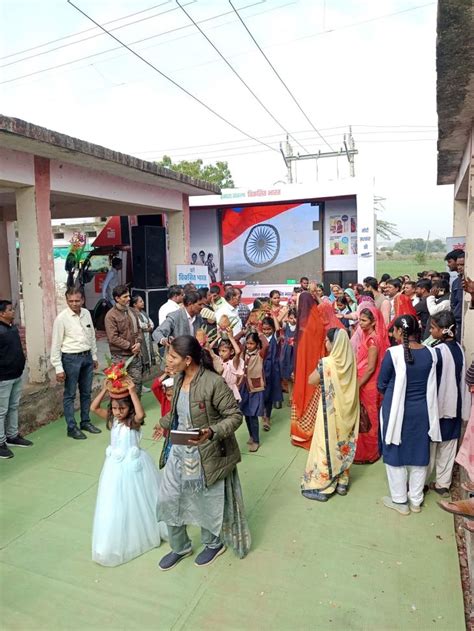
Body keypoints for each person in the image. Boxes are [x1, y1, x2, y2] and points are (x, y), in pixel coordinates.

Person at [157, 336, 250, 570]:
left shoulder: (213, 383)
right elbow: (180, 411)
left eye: (173, 357)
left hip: (205, 453)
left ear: (188, 360)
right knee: (169, 498)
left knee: (204, 501)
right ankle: (180, 547)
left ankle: (213, 544)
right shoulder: (178, 379)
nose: (168, 360)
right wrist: (163, 423)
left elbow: (235, 416)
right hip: (179, 450)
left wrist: (211, 432)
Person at [90, 378, 166, 566]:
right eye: (115, 408)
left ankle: (144, 532)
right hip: (115, 468)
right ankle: (119, 536)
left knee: (139, 500)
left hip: (134, 468)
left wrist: (132, 392)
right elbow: (93, 408)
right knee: (116, 502)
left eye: (121, 409)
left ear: (129, 408)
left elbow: (140, 413)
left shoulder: (133, 422)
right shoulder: (113, 421)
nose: (117, 412)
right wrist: (105, 390)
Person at [378, 314, 440, 515]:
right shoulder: (431, 353)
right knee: (419, 453)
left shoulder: (393, 353)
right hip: (423, 411)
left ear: (398, 331)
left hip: (396, 410)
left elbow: (381, 384)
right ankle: (415, 500)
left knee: (395, 451)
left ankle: (400, 501)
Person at [301, 328, 360, 501]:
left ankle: (325, 485)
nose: (325, 344)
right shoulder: (351, 362)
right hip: (348, 410)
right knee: (345, 443)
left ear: (334, 343)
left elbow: (312, 380)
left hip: (330, 411)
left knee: (325, 443)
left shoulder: (327, 363)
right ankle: (342, 481)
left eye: (327, 340)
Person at [426, 312, 470, 496]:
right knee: (448, 446)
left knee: (430, 448)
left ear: (443, 330)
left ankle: (422, 482)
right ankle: (443, 483)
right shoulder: (459, 348)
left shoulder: (437, 352)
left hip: (438, 406)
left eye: (433, 328)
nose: (430, 330)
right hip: (455, 406)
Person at [51, 289, 100, 440]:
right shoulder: (61, 319)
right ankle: (71, 427)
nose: (74, 304)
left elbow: (91, 335)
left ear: (82, 300)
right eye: (71, 301)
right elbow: (56, 344)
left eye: (77, 301)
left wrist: (94, 356)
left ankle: (85, 421)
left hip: (86, 358)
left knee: (86, 392)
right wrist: (58, 368)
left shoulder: (86, 313)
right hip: (70, 359)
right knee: (70, 395)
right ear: (67, 301)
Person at [352, 305, 389, 464]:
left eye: (364, 320)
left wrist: (358, 385)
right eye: (360, 319)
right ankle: (363, 451)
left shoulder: (373, 340)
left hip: (368, 384)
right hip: (364, 382)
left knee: (368, 419)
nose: (360, 323)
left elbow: (371, 368)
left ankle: (369, 453)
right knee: (363, 417)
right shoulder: (367, 336)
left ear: (373, 323)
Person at [290, 292, 326, 449]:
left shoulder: (303, 324)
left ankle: (300, 434)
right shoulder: (317, 320)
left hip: (304, 369)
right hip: (314, 369)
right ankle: (313, 432)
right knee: (312, 396)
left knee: (302, 395)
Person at [0, 300, 32, 459]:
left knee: (13, 406)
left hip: (16, 375)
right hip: (3, 377)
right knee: (1, 411)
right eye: (10, 310)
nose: (13, 311)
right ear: (1, 313)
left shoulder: (11, 327)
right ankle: (0, 442)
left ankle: (12, 436)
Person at [104, 285, 144, 395]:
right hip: (120, 357)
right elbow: (113, 338)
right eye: (125, 297)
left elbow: (140, 329)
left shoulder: (132, 311)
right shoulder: (110, 315)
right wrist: (131, 345)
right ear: (117, 298)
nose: (129, 299)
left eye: (129, 296)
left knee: (137, 383)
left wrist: (139, 343)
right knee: (120, 385)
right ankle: (121, 410)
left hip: (135, 354)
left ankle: (136, 409)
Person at [240, 331, 268, 452]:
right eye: (247, 343)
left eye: (252, 343)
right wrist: (242, 332)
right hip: (244, 387)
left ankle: (256, 440)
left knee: (253, 415)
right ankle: (251, 435)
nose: (249, 346)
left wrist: (259, 331)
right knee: (246, 414)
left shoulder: (260, 354)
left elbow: (266, 344)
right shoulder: (243, 353)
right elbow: (235, 343)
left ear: (257, 344)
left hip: (255, 388)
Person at [261, 317, 283, 432]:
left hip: (273, 369)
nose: (266, 331)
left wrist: (274, 314)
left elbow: (278, 328)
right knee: (262, 393)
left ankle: (267, 417)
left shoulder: (275, 337)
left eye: (268, 329)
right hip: (262, 369)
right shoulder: (260, 338)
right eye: (264, 329)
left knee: (269, 394)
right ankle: (263, 413)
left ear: (272, 329)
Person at [131, 295, 155, 392]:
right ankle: (138, 386)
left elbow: (151, 323)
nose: (143, 303)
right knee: (140, 361)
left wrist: (148, 327)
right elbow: (140, 326)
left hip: (147, 338)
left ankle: (141, 385)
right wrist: (147, 327)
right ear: (135, 304)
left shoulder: (143, 313)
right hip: (140, 341)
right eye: (140, 301)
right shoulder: (133, 314)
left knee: (146, 360)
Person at [213, 331, 244, 403]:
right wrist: (217, 338)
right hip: (220, 391)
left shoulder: (232, 363)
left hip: (231, 393)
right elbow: (208, 350)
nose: (221, 353)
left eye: (224, 351)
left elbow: (238, 352)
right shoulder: (219, 361)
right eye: (219, 351)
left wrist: (231, 338)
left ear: (232, 351)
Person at [279, 308, 297, 406]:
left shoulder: (299, 327)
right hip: (287, 353)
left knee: (296, 376)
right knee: (288, 376)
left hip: (296, 353)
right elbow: (278, 321)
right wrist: (286, 311)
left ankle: (295, 396)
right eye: (291, 318)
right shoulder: (286, 326)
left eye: (295, 318)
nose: (293, 320)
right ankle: (290, 397)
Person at [451, 253, 465, 340]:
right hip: (458, 322)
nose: (459, 267)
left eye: (462, 265)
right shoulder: (456, 282)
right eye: (458, 265)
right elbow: (453, 303)